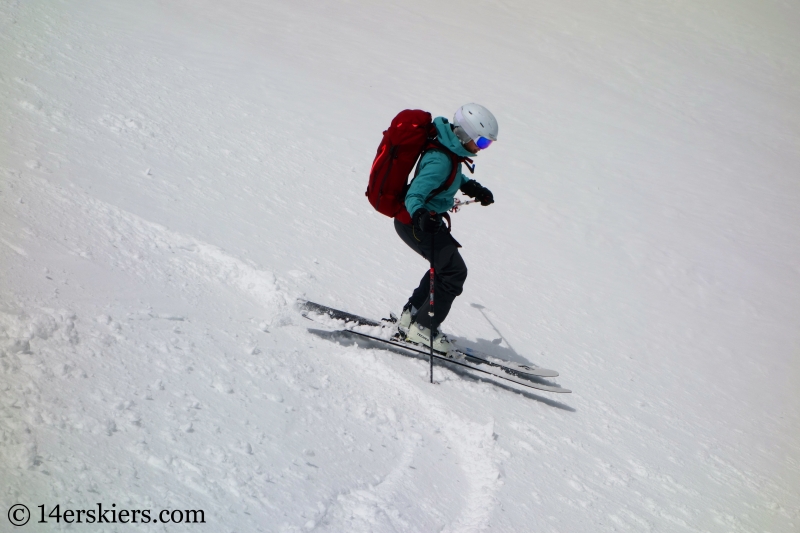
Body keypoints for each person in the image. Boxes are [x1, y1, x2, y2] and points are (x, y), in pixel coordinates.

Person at [394, 103, 498, 353]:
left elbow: (451, 175)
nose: (482, 149)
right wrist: (420, 215)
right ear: (464, 133)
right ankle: (423, 329)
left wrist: (472, 187)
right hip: (415, 223)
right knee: (453, 272)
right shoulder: (441, 159)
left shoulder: (449, 150)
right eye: (482, 142)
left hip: (424, 221)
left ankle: (412, 316)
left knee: (444, 268)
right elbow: (415, 194)